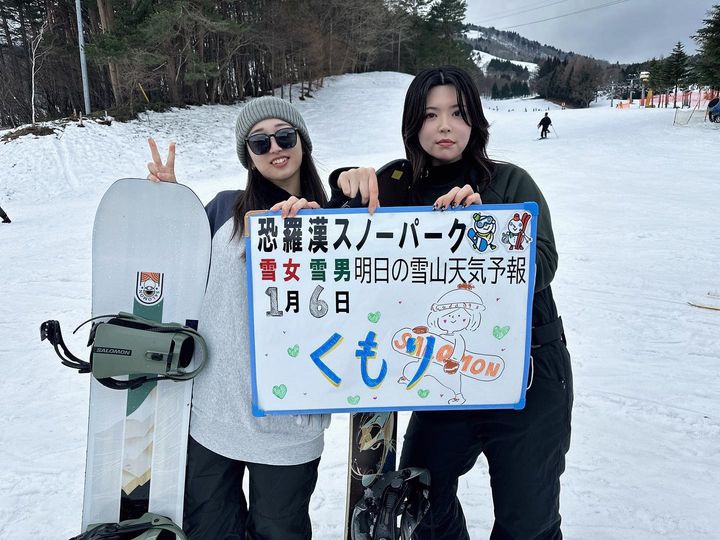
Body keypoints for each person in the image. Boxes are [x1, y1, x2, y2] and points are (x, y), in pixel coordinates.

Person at [328, 65, 573, 539]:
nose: (445, 126)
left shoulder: (508, 182)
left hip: (528, 373)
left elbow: (542, 266)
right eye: (431, 114)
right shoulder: (396, 184)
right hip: (442, 374)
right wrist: (347, 183)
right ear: (412, 124)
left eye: (457, 113)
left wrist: (488, 231)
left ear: (474, 120)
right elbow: (342, 247)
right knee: (420, 498)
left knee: (529, 520)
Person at [146, 96, 330, 540]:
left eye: (284, 136)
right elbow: (178, 272)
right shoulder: (222, 210)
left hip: (289, 426)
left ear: (301, 141)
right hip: (214, 417)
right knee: (209, 529)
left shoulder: (331, 220)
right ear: (247, 155)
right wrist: (173, 206)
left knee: (279, 532)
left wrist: (320, 233)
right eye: (259, 142)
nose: (274, 148)